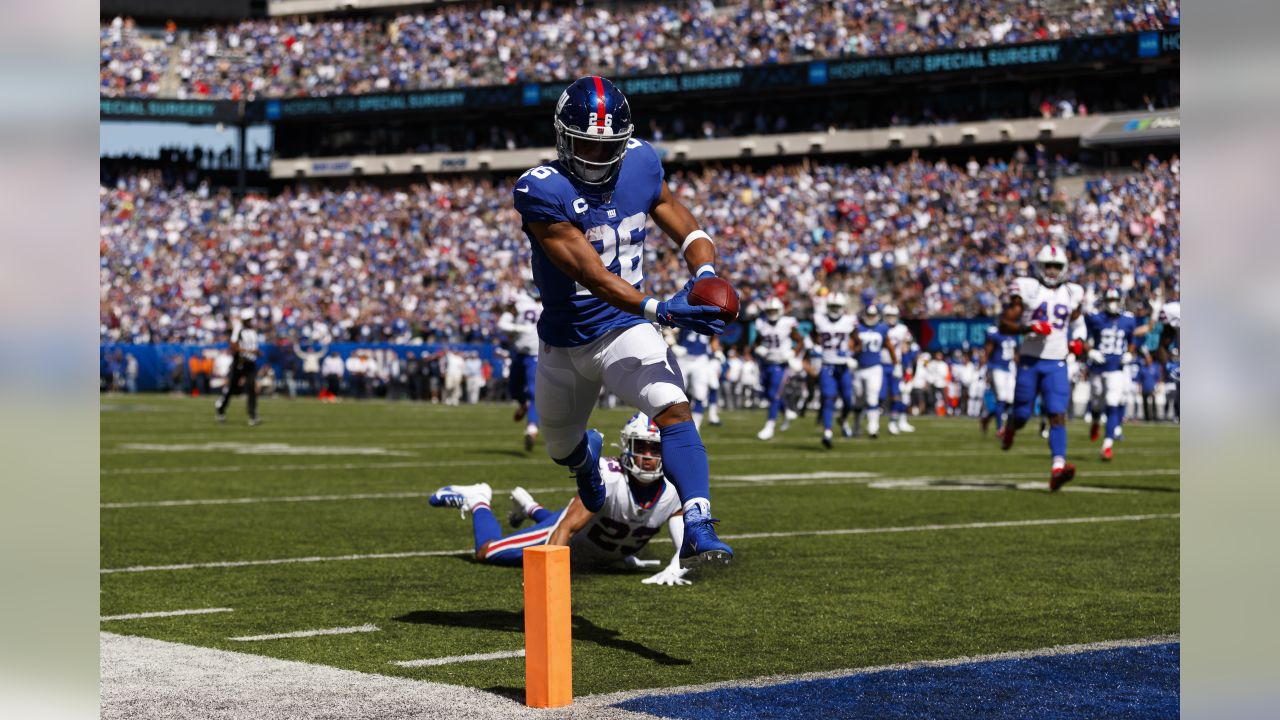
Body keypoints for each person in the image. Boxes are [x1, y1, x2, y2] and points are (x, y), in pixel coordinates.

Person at [511, 75, 731, 566]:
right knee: (561, 447)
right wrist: (663, 309)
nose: (595, 157)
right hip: (568, 341)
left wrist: (706, 271)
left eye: (604, 146)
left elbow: (680, 218)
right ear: (563, 139)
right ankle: (586, 465)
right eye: (584, 145)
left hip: (623, 328)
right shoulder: (540, 189)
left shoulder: (641, 161)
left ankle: (697, 521)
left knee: (673, 407)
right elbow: (592, 274)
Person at [427, 414, 691, 584]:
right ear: (626, 447)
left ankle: (530, 507)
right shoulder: (609, 478)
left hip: (596, 551)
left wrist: (676, 565)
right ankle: (479, 499)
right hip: (567, 543)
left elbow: (684, 534)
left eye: (655, 448)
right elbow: (565, 527)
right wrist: (547, 580)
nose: (647, 456)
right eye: (641, 447)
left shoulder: (673, 488)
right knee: (487, 552)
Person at [998, 244, 1085, 490]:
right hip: (1030, 361)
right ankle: (1011, 429)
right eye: (1048, 265)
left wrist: (1078, 341)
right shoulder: (1029, 289)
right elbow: (1005, 323)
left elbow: (1079, 324)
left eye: (1057, 266)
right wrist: (1029, 327)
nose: (1052, 270)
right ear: (1039, 265)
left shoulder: (1072, 292)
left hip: (1057, 361)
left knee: (1057, 414)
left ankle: (1058, 468)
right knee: (1023, 415)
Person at [1084, 288, 1139, 461]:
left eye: (1115, 299)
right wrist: (1090, 351)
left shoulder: (1128, 320)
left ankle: (1107, 445)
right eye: (1109, 299)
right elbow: (1082, 338)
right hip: (1098, 368)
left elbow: (1132, 342)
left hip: (1116, 368)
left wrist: (1130, 353)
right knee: (1097, 403)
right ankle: (1095, 422)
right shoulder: (1094, 318)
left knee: (1112, 402)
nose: (1112, 303)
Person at [498, 289, 543, 451]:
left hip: (536, 354)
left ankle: (531, 429)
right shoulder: (521, 302)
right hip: (519, 353)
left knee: (533, 392)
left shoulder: (548, 304)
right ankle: (524, 404)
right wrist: (519, 329)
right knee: (514, 389)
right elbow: (502, 324)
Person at [812, 292, 858, 448]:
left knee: (848, 401)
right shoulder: (820, 320)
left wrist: (852, 355)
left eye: (837, 306)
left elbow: (858, 342)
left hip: (843, 366)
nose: (835, 309)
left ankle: (843, 419)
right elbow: (812, 337)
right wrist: (815, 347)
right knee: (828, 397)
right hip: (827, 365)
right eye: (832, 306)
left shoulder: (849, 321)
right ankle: (827, 432)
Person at [754, 297, 803, 440]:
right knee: (769, 393)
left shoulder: (787, 323)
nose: (772, 313)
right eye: (770, 310)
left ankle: (770, 426)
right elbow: (756, 342)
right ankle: (786, 410)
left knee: (774, 393)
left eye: (774, 310)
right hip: (766, 363)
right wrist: (759, 348)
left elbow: (800, 341)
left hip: (781, 364)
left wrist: (793, 353)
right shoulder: (761, 323)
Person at [853, 304, 896, 438]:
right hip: (859, 367)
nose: (871, 318)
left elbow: (889, 345)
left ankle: (873, 428)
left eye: (873, 315)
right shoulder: (858, 328)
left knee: (873, 397)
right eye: (869, 315)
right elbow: (851, 344)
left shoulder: (882, 328)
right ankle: (857, 425)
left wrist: (896, 363)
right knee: (859, 399)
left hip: (874, 367)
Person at [215, 308, 261, 426]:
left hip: (250, 363)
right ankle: (221, 409)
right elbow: (233, 346)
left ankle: (252, 415)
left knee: (251, 388)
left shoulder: (253, 331)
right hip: (240, 362)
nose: (251, 321)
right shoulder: (239, 329)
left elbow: (254, 347)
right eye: (249, 319)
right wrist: (250, 351)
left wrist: (255, 352)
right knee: (231, 388)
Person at [880, 305, 915, 435]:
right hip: (880, 365)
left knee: (897, 395)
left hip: (895, 365)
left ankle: (893, 422)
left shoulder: (902, 329)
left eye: (893, 316)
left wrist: (905, 367)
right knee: (879, 396)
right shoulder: (880, 328)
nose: (891, 319)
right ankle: (871, 422)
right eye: (888, 316)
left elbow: (906, 347)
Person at [981, 325, 1019, 435]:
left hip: (1008, 369)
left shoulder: (1012, 335)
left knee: (1010, 401)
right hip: (996, 367)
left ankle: (987, 418)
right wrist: (984, 361)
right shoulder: (995, 333)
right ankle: (1000, 428)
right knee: (1001, 398)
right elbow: (988, 347)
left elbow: (1014, 354)